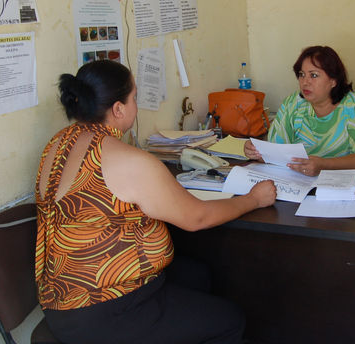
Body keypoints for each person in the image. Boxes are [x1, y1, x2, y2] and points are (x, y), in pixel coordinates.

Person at [36, 60, 276, 344]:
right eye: (134, 98)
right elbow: (197, 218)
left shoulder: (57, 144)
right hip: (109, 308)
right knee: (231, 319)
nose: (136, 107)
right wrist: (253, 199)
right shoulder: (125, 159)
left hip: (63, 303)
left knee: (197, 275)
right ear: (118, 109)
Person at [244, 45, 355, 176]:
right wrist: (256, 152)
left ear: (333, 80)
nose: (305, 82)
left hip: (339, 183)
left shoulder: (353, 105)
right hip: (297, 181)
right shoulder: (293, 103)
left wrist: (324, 165)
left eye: (313, 75)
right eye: (301, 75)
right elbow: (275, 153)